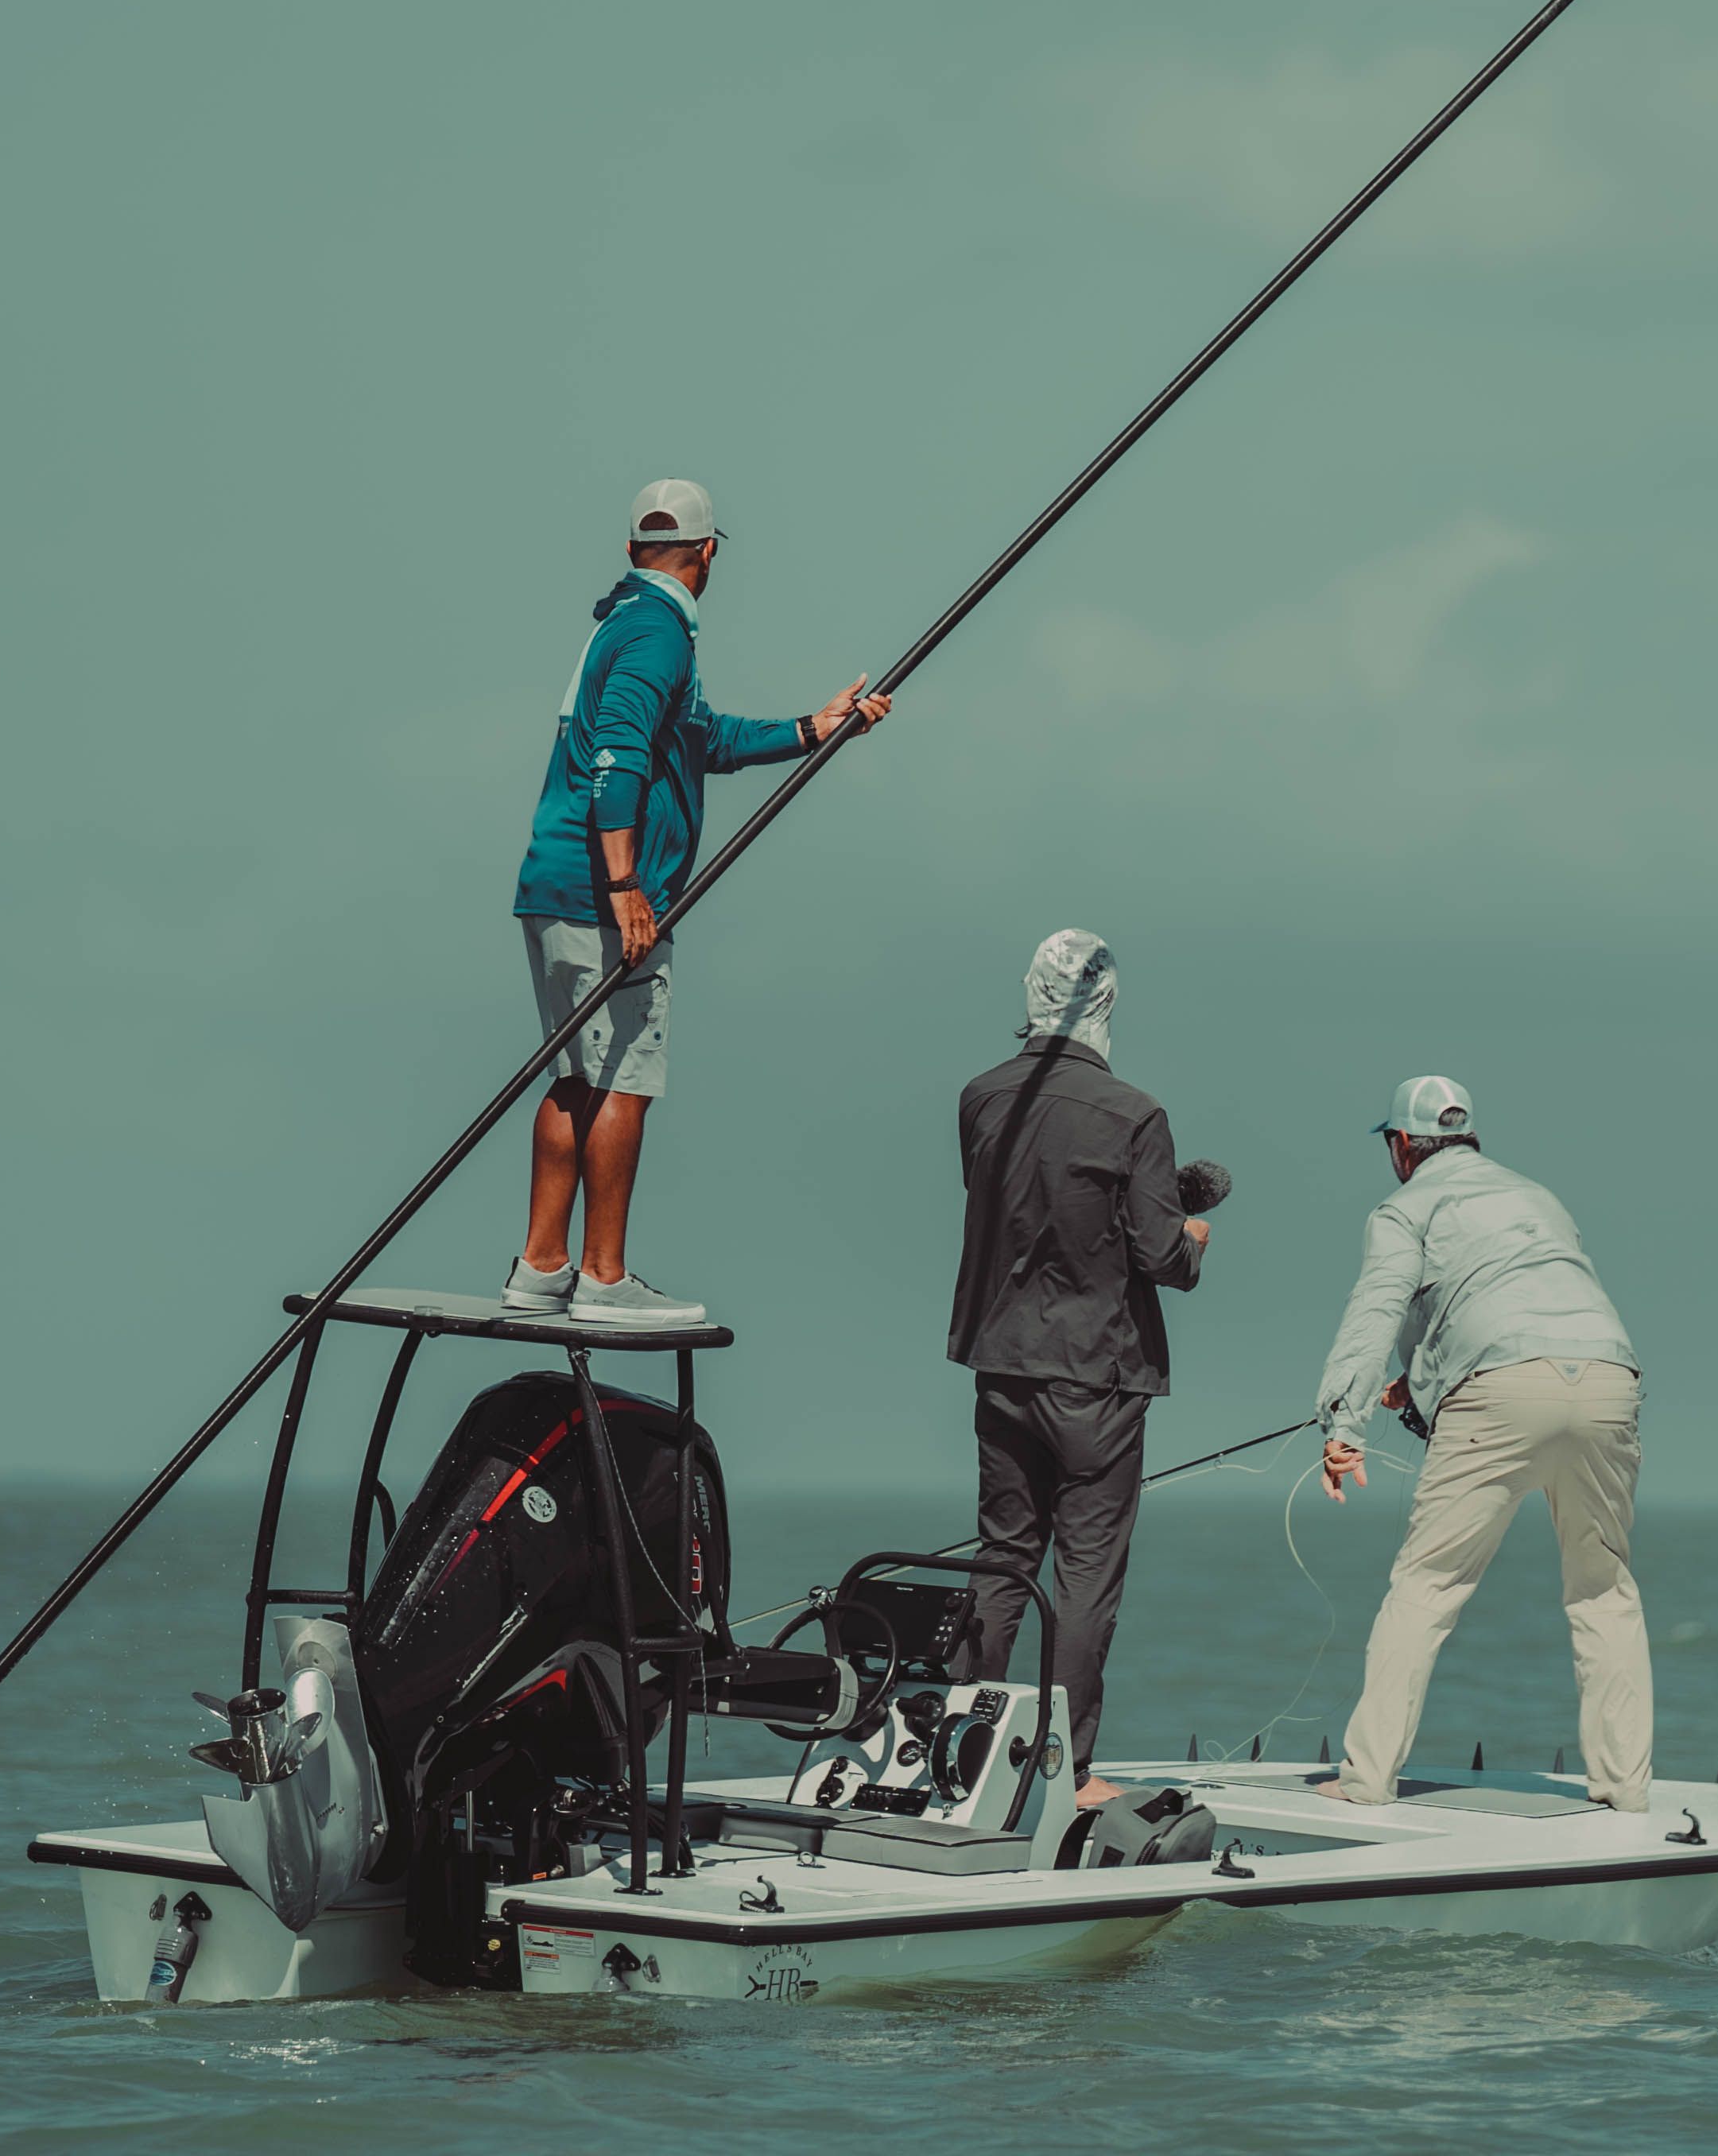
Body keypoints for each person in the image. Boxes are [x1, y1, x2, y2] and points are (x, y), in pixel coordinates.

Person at [504, 477, 888, 1333]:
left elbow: (698, 738)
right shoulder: (657, 634)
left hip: (552, 885)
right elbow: (619, 757)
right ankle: (602, 1277)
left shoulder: (624, 622)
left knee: (576, 1077)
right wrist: (627, 887)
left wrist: (812, 729)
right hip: (602, 893)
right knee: (625, 1080)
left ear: (633, 549)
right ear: (709, 552)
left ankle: (541, 1266)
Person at [1310, 1076, 1650, 1812]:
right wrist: (1420, 1383)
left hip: (1497, 1392)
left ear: (1402, 1144)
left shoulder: (1404, 1208)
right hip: (1608, 1378)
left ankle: (1367, 1780)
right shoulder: (1539, 1198)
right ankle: (1625, 1792)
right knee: (1603, 1589)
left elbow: (1376, 1311)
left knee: (1427, 1586)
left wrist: (1344, 1425)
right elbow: (1518, 1298)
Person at [944, 929, 1224, 1808]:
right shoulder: (1134, 1114)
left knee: (1002, 1556)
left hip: (1001, 1361)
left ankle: (962, 1748)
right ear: (1105, 1003)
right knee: (1086, 1572)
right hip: (1098, 1373)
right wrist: (1193, 1233)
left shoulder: (980, 1097)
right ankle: (1065, 1767)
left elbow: (1014, 1205)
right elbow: (1160, 1256)